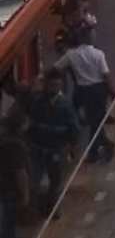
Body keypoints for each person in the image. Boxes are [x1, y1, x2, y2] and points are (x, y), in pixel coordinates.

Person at [54, 28, 115, 163]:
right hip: (99, 90)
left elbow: (56, 68)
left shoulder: (71, 55)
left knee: (94, 121)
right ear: (89, 38)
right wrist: (114, 92)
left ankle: (99, 149)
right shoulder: (98, 54)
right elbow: (107, 75)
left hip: (85, 91)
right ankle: (103, 147)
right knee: (95, 122)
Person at [28, 72, 78, 215]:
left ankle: (54, 207)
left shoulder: (66, 105)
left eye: (57, 84)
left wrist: (71, 147)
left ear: (61, 85)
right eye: (51, 85)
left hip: (57, 149)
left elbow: (74, 128)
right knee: (36, 178)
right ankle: (36, 206)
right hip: (39, 148)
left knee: (56, 179)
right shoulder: (38, 102)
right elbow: (32, 123)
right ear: (46, 85)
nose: (54, 88)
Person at [0, 106, 31, 238]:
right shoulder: (16, 145)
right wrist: (24, 195)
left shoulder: (3, 138)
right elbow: (20, 173)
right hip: (9, 188)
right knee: (9, 219)